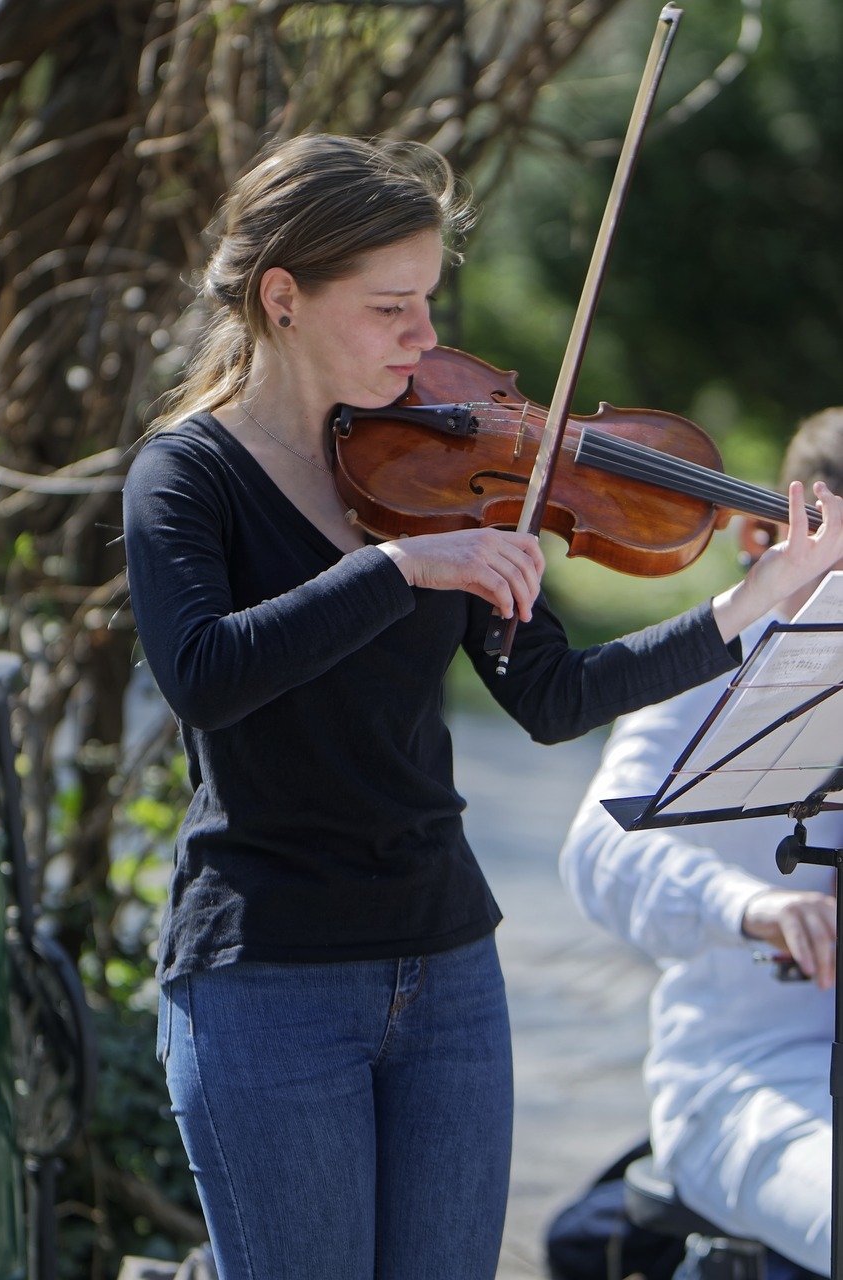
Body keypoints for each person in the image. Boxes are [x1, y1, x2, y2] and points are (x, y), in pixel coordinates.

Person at [121, 132, 843, 1280]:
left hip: (448, 968)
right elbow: (207, 674)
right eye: (393, 307)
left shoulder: (449, 466)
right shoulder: (187, 476)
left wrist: (750, 603)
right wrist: (402, 567)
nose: (425, 339)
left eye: (429, 304)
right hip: (268, 974)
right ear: (283, 298)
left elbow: (556, 698)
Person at [559, 407, 843, 1280]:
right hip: (745, 1080)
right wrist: (748, 907)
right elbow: (599, 854)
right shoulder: (704, 675)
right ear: (764, 535)